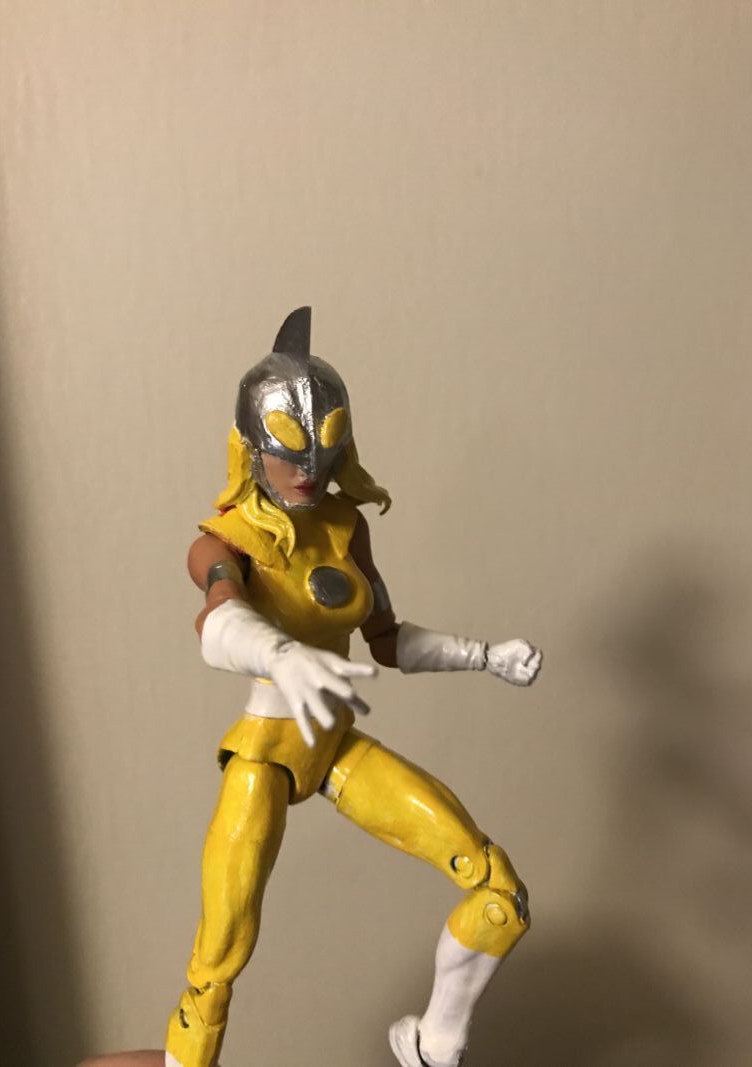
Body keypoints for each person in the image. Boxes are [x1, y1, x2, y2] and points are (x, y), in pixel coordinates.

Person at [165, 308, 542, 1067]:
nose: (307, 470)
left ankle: (432, 1044)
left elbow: (389, 640)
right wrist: (280, 655)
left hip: (335, 747)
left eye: (324, 451)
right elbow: (218, 621)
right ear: (252, 448)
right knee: (217, 961)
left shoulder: (343, 524)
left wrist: (484, 655)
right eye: (288, 451)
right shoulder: (226, 539)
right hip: (266, 758)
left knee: (499, 891)